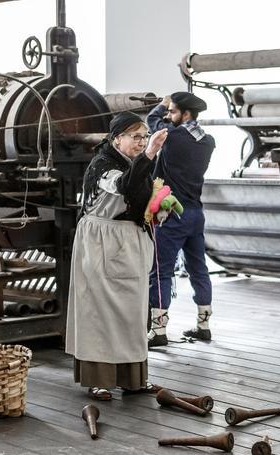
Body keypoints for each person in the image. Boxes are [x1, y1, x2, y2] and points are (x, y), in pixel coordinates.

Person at [65, 111, 168, 400]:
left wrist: (157, 209)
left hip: (130, 243)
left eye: (144, 137)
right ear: (116, 138)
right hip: (102, 244)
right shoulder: (102, 164)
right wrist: (149, 153)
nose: (141, 142)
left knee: (133, 314)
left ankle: (133, 378)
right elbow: (124, 186)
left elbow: (140, 194)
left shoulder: (137, 162)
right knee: (99, 312)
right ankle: (99, 379)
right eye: (135, 137)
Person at [146, 92, 216, 347]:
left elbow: (152, 123)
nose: (168, 115)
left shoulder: (172, 136)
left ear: (186, 114)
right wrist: (168, 107)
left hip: (172, 212)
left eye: (173, 111)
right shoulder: (208, 141)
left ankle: (159, 331)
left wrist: (161, 104)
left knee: (161, 270)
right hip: (196, 213)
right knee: (198, 268)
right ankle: (203, 326)